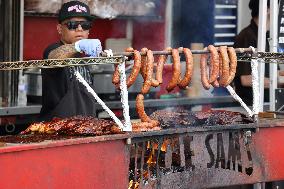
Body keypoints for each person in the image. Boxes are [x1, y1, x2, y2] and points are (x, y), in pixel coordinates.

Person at [40, 1, 102, 121]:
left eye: (85, 25)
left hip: (85, 128)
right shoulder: (52, 50)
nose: (79, 29)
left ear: (89, 30)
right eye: (72, 24)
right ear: (59, 29)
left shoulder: (84, 60)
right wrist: (78, 46)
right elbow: (54, 57)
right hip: (57, 131)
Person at [233, 0, 271, 106]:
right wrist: (275, 83)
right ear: (267, 9)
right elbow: (246, 79)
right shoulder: (246, 37)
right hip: (250, 107)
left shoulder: (266, 37)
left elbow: (272, 73)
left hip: (266, 104)